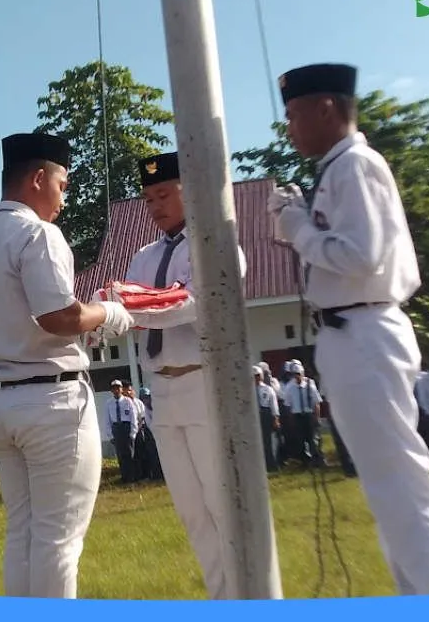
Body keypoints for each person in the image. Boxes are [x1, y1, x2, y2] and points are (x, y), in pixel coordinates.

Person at [268, 63, 429, 595]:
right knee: (387, 488)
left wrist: (298, 227)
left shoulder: (355, 165)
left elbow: (360, 254)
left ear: (326, 108)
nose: (289, 127)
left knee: (399, 484)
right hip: (350, 332)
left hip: (366, 328)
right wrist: (302, 221)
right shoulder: (338, 169)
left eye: (293, 114)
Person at [0, 131, 135, 599]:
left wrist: (85, 324)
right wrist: (110, 312)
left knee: (24, 536)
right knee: (58, 541)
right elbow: (59, 315)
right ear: (38, 178)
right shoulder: (38, 233)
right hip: (51, 403)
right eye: (62, 183)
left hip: (3, 402)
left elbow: (41, 321)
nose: (63, 196)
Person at [118, 150, 249, 599]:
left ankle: (248, 593)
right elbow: (130, 311)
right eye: (147, 198)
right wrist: (110, 313)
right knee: (192, 512)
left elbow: (192, 303)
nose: (154, 206)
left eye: (163, 194)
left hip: (203, 382)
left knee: (222, 505)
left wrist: (129, 304)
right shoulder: (143, 255)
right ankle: (221, 597)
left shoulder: (213, 243)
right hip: (163, 391)